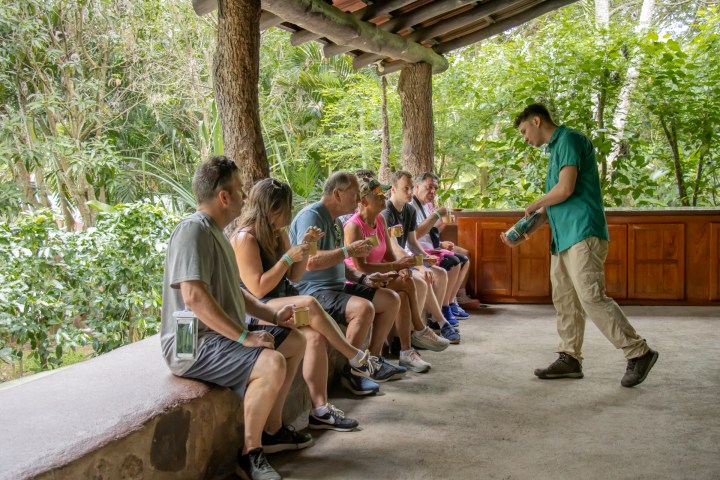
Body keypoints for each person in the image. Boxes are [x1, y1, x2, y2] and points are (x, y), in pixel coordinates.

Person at [160, 156, 308, 480]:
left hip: (220, 336)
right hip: (191, 343)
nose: (245, 196)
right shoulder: (192, 231)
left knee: (295, 341)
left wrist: (271, 315)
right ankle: (250, 454)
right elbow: (194, 297)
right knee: (271, 362)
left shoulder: (218, 234)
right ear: (223, 196)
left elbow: (235, 293)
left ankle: (272, 430)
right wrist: (246, 338)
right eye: (240, 190)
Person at [505, 103, 658, 388]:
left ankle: (639, 351)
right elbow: (554, 206)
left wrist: (535, 202)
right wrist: (523, 232)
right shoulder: (554, 151)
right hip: (563, 237)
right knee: (565, 299)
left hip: (583, 232)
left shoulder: (570, 140)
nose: (525, 138)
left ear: (537, 121)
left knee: (591, 296)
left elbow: (565, 190)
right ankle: (569, 358)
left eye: (525, 131)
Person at [232, 178, 389, 432]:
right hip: (258, 309)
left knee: (314, 339)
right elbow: (257, 289)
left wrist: (304, 249)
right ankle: (356, 356)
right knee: (310, 302)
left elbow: (294, 277)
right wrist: (286, 258)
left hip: (282, 300)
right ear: (271, 207)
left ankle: (320, 410)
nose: (290, 213)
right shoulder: (245, 239)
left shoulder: (277, 233)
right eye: (286, 206)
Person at [289, 172, 406, 396]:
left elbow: (340, 262)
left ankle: (372, 360)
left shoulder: (333, 221)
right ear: (337, 194)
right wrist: (348, 250)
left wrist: (363, 278)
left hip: (336, 286)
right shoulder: (312, 216)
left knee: (390, 299)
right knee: (363, 308)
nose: (357, 199)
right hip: (314, 290)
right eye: (354, 195)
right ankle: (350, 372)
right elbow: (310, 262)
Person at [343, 176, 450, 373]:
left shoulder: (381, 219)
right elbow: (361, 267)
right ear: (363, 201)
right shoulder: (354, 227)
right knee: (405, 284)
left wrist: (400, 268)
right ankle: (418, 332)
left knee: (403, 286)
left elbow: (390, 254)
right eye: (377, 195)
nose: (383, 197)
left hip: (380, 275)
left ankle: (406, 351)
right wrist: (396, 265)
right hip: (360, 280)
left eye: (384, 193)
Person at [383, 171, 461, 345]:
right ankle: (441, 323)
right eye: (406, 189)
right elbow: (395, 249)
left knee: (439, 272)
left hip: (408, 257)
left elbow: (412, 241)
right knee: (423, 277)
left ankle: (434, 321)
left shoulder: (409, 209)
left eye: (411, 188)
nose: (410, 193)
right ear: (393, 189)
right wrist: (420, 265)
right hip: (395, 261)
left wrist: (425, 257)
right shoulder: (386, 212)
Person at [411, 173, 472, 326]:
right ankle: (443, 307)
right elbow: (416, 234)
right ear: (417, 187)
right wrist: (437, 214)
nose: (432, 191)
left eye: (435, 188)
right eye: (429, 187)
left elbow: (433, 229)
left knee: (464, 259)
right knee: (453, 262)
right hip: (418, 250)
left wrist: (442, 240)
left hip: (432, 246)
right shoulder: (410, 206)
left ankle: (451, 302)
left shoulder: (428, 205)